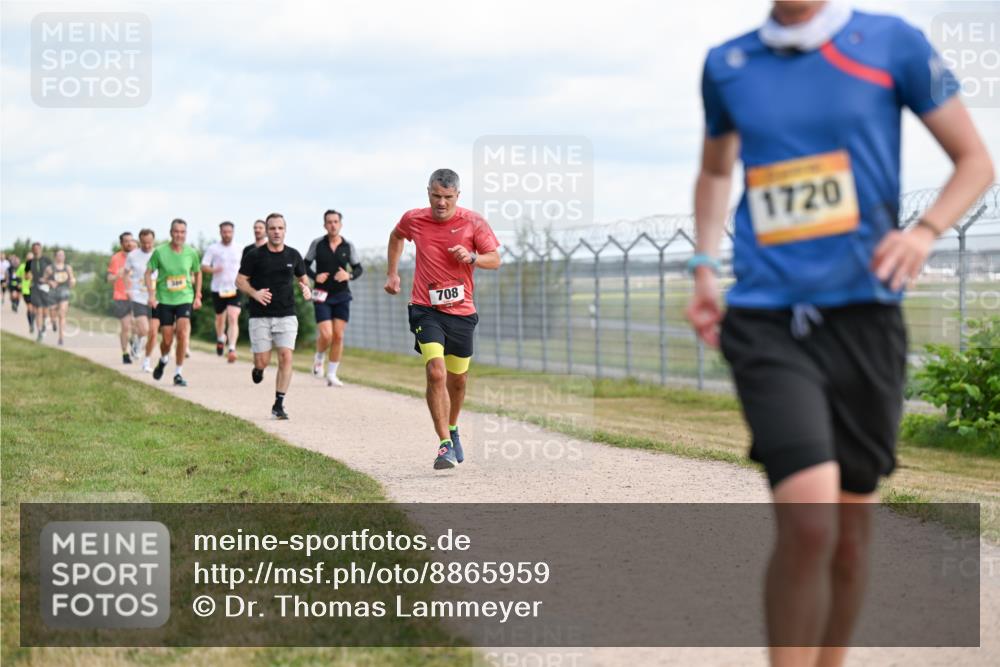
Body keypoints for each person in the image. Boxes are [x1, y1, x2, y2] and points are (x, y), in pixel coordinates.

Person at [686, 3, 995, 666]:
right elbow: (716, 170)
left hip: (864, 318)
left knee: (851, 536)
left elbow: (974, 160)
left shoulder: (892, 43)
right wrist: (704, 266)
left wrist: (924, 232)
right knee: (809, 522)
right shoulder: (728, 64)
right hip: (767, 317)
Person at [384, 168, 501, 469]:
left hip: (462, 312)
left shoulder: (473, 222)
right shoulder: (414, 219)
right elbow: (397, 236)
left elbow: (495, 259)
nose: (441, 203)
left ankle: (453, 426)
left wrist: (473, 257)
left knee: (457, 380)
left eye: (447, 197)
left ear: (457, 196)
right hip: (426, 307)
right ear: (428, 193)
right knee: (436, 372)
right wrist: (393, 272)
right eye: (436, 196)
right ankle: (444, 445)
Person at [236, 213, 311, 420]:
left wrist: (306, 290)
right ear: (267, 231)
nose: (276, 232)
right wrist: (254, 293)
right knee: (263, 361)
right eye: (272, 228)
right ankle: (258, 370)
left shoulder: (293, 255)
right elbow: (240, 281)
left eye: (280, 228)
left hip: (286, 314)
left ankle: (279, 403)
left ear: (285, 230)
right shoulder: (254, 255)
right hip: (260, 316)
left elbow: (303, 279)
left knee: (286, 356)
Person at [305, 209, 364, 387]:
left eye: (335, 222)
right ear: (325, 225)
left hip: (342, 295)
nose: (332, 225)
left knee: (338, 336)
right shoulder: (317, 244)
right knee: (326, 334)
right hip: (322, 295)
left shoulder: (348, 245)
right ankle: (319, 357)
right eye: (329, 222)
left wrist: (349, 276)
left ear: (340, 224)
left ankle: (332, 374)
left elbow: (358, 268)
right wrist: (315, 277)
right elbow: (304, 265)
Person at [145, 219, 202, 386]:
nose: (179, 235)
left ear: (186, 234)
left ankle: (178, 373)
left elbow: (198, 273)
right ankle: (163, 359)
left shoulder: (191, 253)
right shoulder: (160, 252)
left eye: (182, 232)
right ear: (171, 233)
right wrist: (151, 294)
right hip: (164, 300)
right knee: (167, 340)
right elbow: (148, 273)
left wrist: (198, 295)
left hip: (184, 298)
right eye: (176, 231)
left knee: (183, 333)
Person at [202, 221, 243, 362]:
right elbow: (204, 266)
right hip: (218, 288)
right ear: (220, 232)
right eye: (224, 232)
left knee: (233, 316)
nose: (227, 234)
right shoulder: (213, 248)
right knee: (220, 318)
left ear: (233, 232)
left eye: (229, 232)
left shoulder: (239, 248)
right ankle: (221, 338)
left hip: (235, 288)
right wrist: (214, 269)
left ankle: (232, 348)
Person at [126, 229, 157, 372]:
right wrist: (128, 290)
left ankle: (137, 342)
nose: (147, 245)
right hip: (138, 296)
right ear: (139, 242)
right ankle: (138, 343)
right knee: (144, 329)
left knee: (151, 331)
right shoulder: (132, 256)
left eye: (149, 242)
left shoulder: (159, 255)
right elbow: (126, 273)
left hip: (155, 297)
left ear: (153, 241)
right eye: (144, 243)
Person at [107, 232, 136, 363]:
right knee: (125, 326)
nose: (129, 243)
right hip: (121, 295)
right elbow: (109, 278)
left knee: (137, 325)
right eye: (126, 241)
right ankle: (125, 353)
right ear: (121, 243)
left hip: (137, 295)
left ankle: (134, 341)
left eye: (131, 240)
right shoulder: (116, 258)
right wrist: (117, 275)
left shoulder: (138, 256)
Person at [42, 249, 75, 345]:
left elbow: (72, 279)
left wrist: (72, 281)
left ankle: (61, 338)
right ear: (55, 256)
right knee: (52, 313)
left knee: (62, 314)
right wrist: (49, 282)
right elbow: (43, 279)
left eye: (63, 255)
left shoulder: (68, 268)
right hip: (53, 293)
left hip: (64, 292)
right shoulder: (50, 268)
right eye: (59, 255)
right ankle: (53, 322)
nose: (61, 257)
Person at [28, 242, 53, 342]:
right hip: (35, 287)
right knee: (38, 309)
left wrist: (47, 279)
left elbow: (53, 271)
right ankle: (39, 332)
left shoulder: (46, 260)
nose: (36, 250)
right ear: (32, 250)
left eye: (38, 248)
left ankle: (43, 325)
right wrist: (28, 276)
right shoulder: (29, 262)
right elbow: (26, 274)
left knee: (45, 311)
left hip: (45, 287)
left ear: (41, 249)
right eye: (34, 248)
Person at [17, 252, 32, 330]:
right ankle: (31, 324)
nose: (30, 260)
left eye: (31, 258)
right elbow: (18, 276)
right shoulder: (22, 266)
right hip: (26, 290)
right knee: (30, 308)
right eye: (29, 258)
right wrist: (19, 283)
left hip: (35, 290)